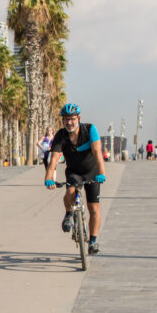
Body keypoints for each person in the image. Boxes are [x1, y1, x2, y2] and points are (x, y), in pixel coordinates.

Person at [44, 103, 107, 255]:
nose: (69, 122)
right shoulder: (61, 135)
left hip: (92, 172)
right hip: (74, 172)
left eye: (72, 119)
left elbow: (98, 152)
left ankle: (92, 242)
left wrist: (102, 173)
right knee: (70, 192)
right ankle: (69, 213)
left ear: (78, 118)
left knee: (94, 209)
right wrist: (48, 178)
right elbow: (53, 160)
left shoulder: (90, 130)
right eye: (66, 119)